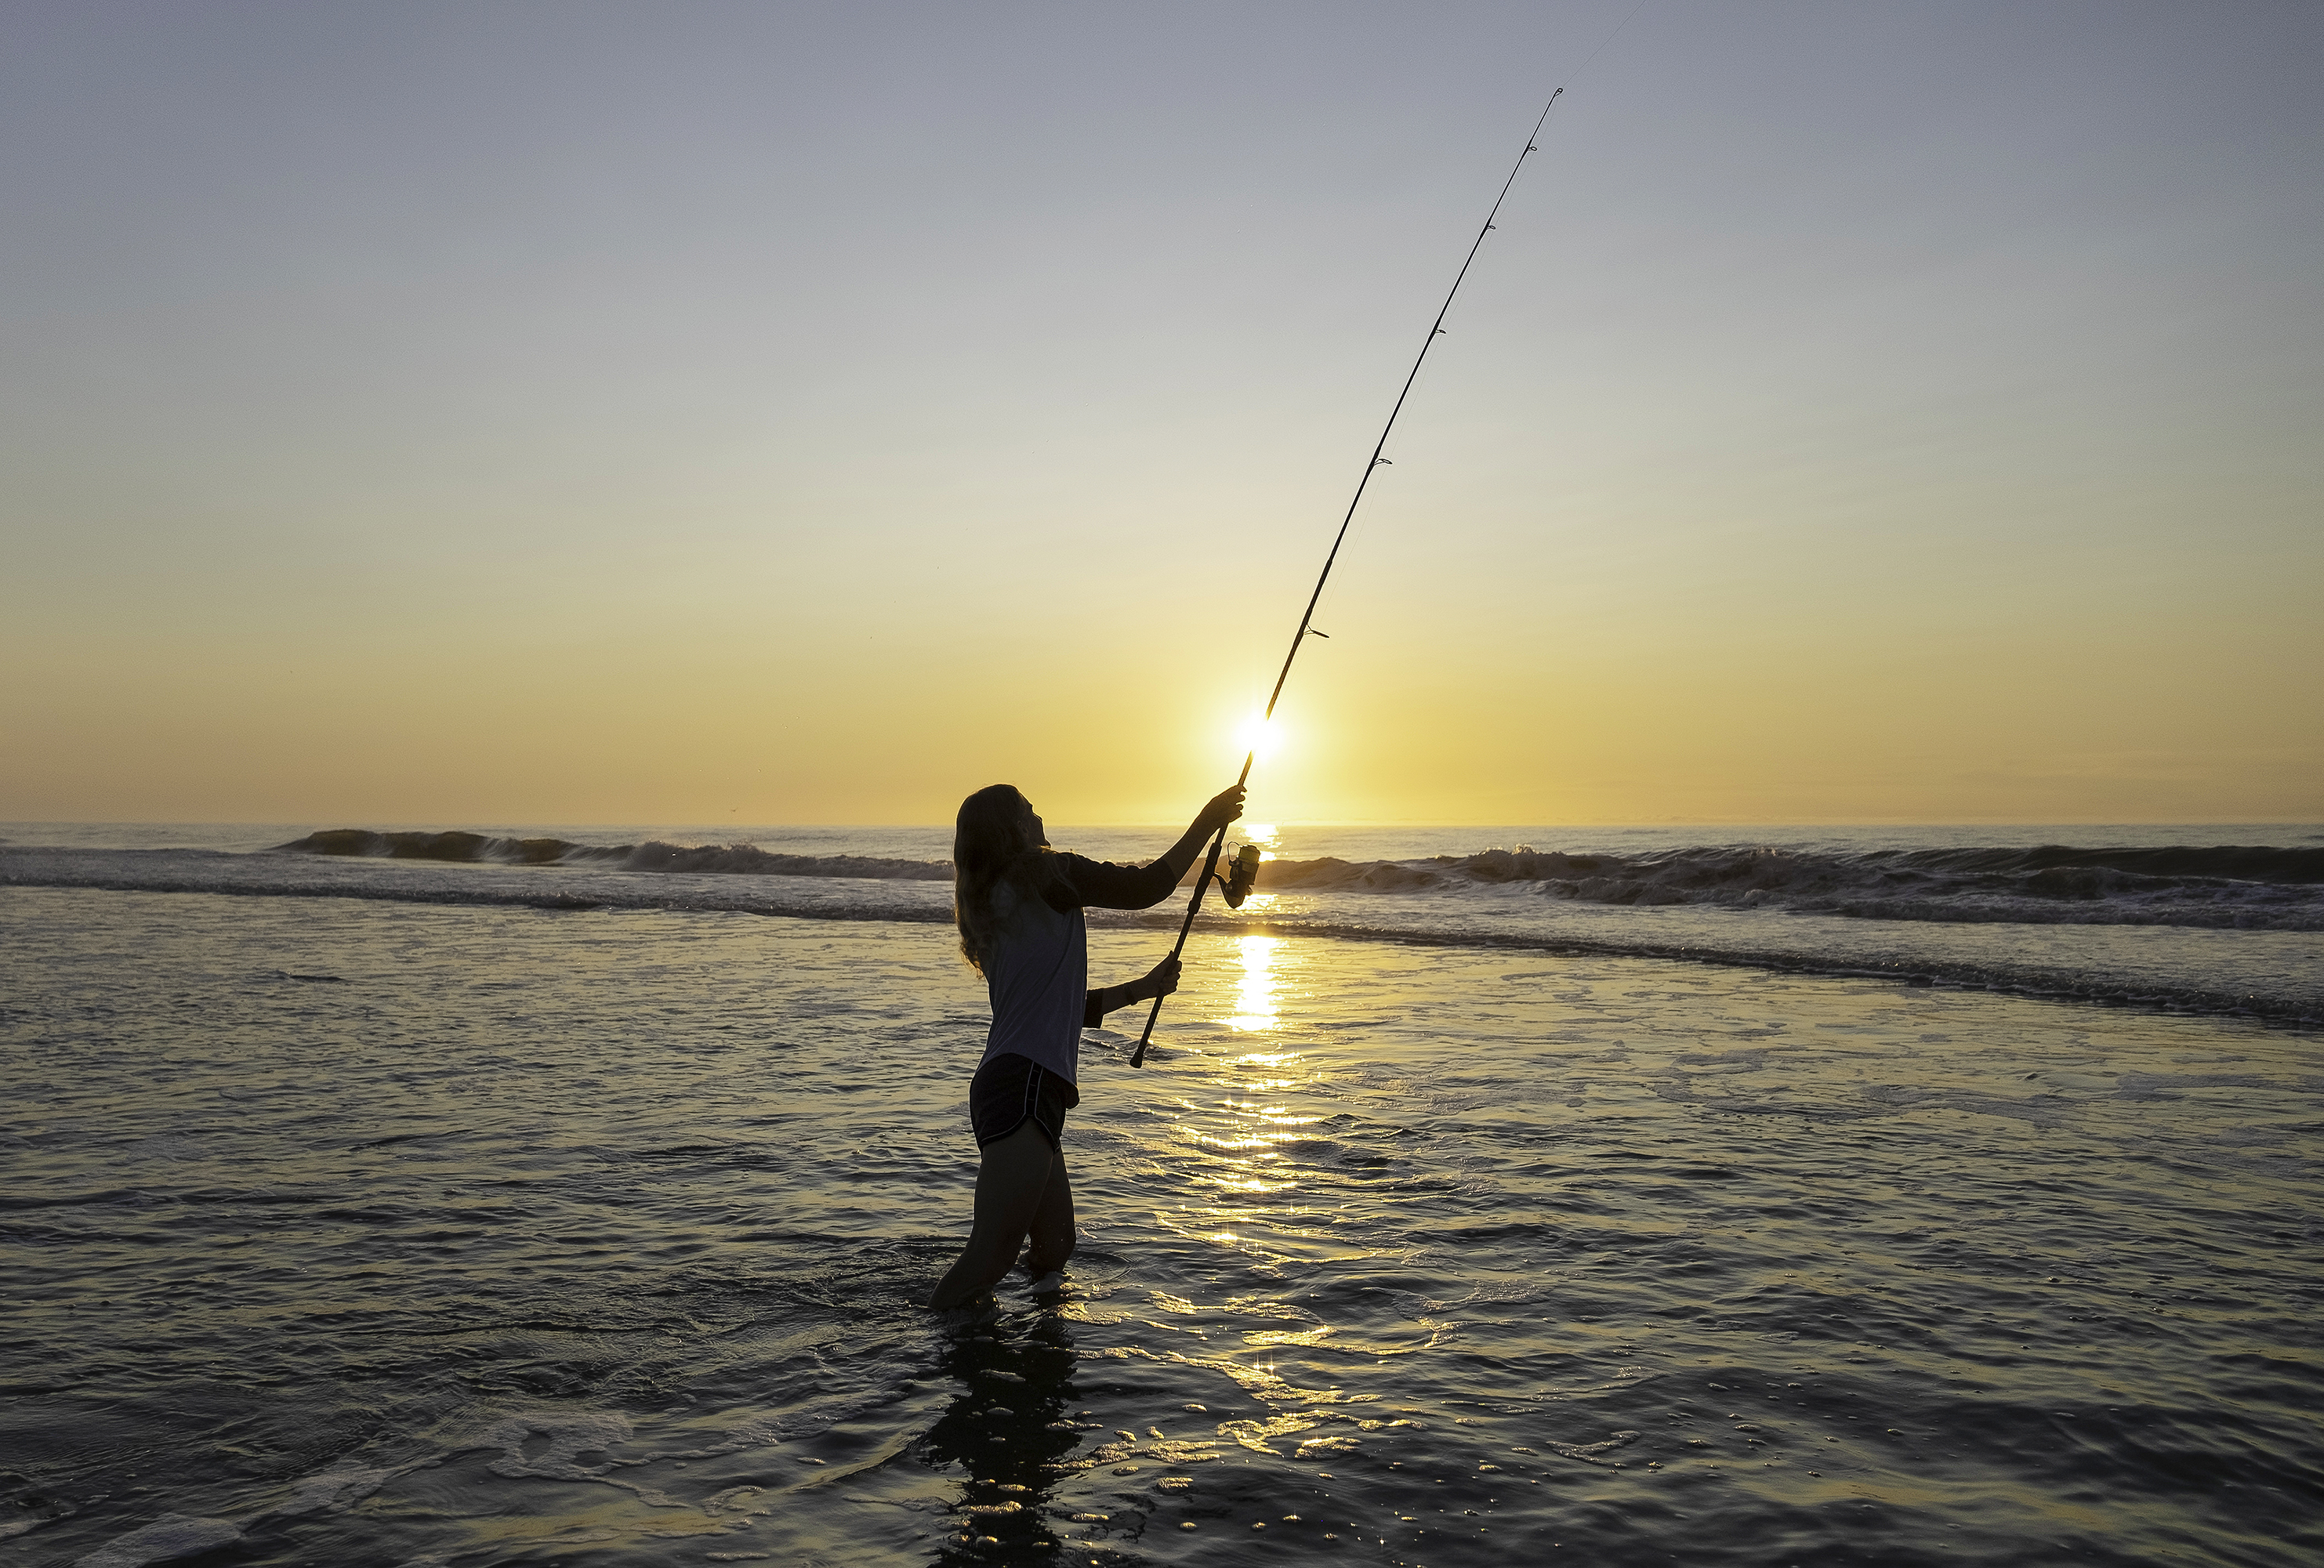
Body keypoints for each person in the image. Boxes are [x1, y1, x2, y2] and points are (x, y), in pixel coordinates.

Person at [926, 780, 1245, 1310]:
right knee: (990, 1256)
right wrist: (1207, 819)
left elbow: (1062, 1006)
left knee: (1055, 1246)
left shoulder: (998, 902)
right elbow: (1145, 888)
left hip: (1017, 1084)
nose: (1039, 812)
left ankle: (1034, 1340)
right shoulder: (1042, 870)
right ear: (1014, 828)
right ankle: (924, 1356)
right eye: (1029, 807)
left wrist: (1139, 989)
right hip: (1024, 1085)